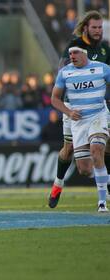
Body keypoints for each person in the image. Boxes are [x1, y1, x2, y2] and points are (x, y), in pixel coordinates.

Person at [49, 10, 110, 208]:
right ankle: (58, 184)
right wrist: (67, 109)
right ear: (85, 28)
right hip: (73, 107)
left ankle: (104, 190)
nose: (98, 31)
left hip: (98, 108)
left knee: (101, 146)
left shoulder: (104, 49)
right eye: (94, 27)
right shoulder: (74, 47)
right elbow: (63, 76)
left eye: (100, 27)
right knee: (69, 151)